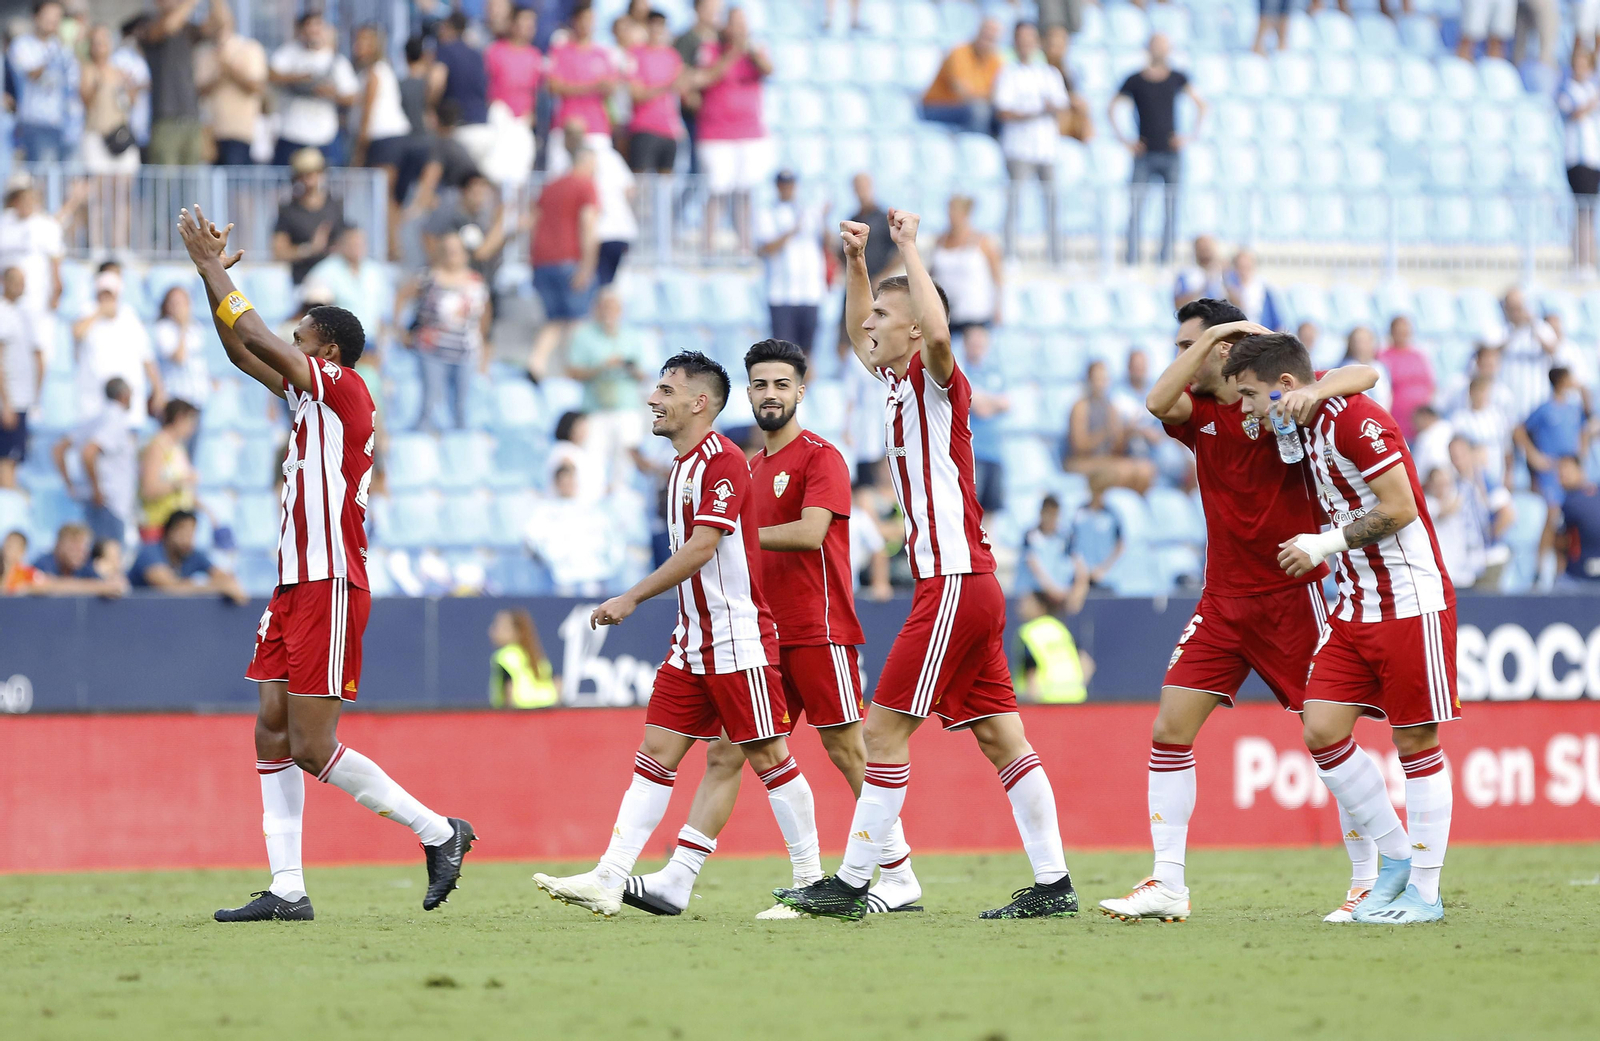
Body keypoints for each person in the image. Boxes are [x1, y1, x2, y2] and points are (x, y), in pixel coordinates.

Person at [775, 210, 1078, 921]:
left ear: (914, 326)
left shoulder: (939, 380)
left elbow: (938, 333)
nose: (870, 322)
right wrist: (857, 264)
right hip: (970, 585)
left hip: (952, 585)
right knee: (1003, 735)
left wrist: (909, 246)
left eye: (886, 311)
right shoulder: (895, 382)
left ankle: (853, 883)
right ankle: (1055, 883)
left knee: (880, 734)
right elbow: (856, 334)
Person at [175, 205, 474, 921]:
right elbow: (238, 349)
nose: (291, 334)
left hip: (331, 579)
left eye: (303, 329)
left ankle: (441, 832)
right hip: (294, 582)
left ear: (328, 349)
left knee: (312, 744)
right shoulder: (309, 399)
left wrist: (210, 266)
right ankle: (287, 887)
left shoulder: (344, 390)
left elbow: (254, 334)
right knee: (271, 727)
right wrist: (210, 281)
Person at [1099, 300, 1381, 925]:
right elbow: (1155, 400)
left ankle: (1370, 880)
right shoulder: (1196, 415)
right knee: (1170, 727)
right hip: (1222, 602)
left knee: (1330, 735)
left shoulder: (1281, 400)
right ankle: (1167, 882)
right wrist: (1219, 333)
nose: (1180, 358)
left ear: (1224, 353)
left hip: (1292, 595)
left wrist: (1310, 381)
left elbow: (1364, 375)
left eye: (1188, 346)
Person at [625, 339, 921, 919]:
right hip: (761, 634)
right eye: (760, 384)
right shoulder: (747, 468)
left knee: (846, 749)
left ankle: (898, 872)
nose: (770, 395)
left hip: (820, 626)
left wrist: (725, 535)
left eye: (781, 385)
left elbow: (812, 534)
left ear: (800, 392)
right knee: (726, 754)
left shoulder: (820, 457)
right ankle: (677, 879)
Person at [532, 351, 821, 918]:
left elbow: (702, 548)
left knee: (769, 756)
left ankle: (812, 882)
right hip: (693, 640)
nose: (652, 400)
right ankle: (610, 876)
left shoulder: (724, 462)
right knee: (656, 754)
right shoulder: (680, 468)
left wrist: (631, 597)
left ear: (699, 403)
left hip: (736, 638)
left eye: (665, 390)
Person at [1230, 332, 1458, 926]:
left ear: (1283, 387)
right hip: (1356, 604)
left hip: (1410, 599)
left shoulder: (1352, 420)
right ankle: (1397, 860)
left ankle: (1426, 895)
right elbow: (1351, 370)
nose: (1246, 410)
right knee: (1322, 729)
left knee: (1415, 744)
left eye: (1251, 396)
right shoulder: (1300, 416)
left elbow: (1402, 506)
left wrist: (1323, 543)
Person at [1112, 34, 1206, 265]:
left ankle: (1165, 259)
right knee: (1136, 208)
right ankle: (1131, 259)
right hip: (1144, 153)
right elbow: (1112, 108)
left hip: (1170, 153)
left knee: (1170, 210)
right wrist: (1124, 140)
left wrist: (1190, 136)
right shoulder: (1135, 80)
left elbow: (1201, 104)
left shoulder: (1177, 77)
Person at [694, 6, 773, 253]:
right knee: (718, 190)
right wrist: (732, 53)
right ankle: (708, 245)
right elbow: (705, 78)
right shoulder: (710, 50)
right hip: (717, 133)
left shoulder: (755, 51)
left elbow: (769, 70)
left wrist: (749, 51)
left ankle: (745, 245)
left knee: (744, 192)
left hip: (749, 132)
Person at [403, 232, 491, 431]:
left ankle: (459, 447)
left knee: (462, 405)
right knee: (430, 400)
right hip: (432, 350)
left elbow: (485, 316)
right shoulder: (427, 277)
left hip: (465, 350)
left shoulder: (476, 282)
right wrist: (402, 332)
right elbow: (402, 296)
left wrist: (483, 346)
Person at [993, 21, 1066, 261]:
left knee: (1052, 204)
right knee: (1015, 203)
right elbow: (1003, 110)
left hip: (1046, 149)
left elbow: (1062, 105)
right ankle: (1010, 253)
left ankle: (1056, 255)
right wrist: (1036, 110)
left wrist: (1030, 110)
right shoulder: (1007, 72)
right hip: (1019, 149)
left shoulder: (1049, 73)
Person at [527, 145, 600, 381]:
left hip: (542, 262)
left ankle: (537, 362)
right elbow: (587, 225)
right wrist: (587, 267)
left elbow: (534, 222)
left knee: (556, 319)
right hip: (569, 260)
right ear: (587, 164)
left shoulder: (549, 187)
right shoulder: (585, 186)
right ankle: (575, 371)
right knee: (577, 318)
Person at [566, 288, 647, 480]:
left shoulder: (632, 336)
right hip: (596, 409)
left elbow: (643, 374)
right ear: (597, 309)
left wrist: (627, 367)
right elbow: (573, 372)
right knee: (593, 460)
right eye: (605, 307)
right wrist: (601, 368)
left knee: (625, 462)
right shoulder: (584, 335)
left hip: (626, 407)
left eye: (614, 308)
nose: (609, 312)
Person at [140, 0, 231, 165]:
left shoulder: (188, 29)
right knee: (164, 183)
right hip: (164, 119)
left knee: (190, 183)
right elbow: (168, 26)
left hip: (192, 117)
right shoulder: (147, 24)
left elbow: (219, 25)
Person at [55, 377, 138, 545]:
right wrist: (96, 489)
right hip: (110, 502)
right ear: (124, 395)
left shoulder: (96, 418)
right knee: (108, 561)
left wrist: (70, 485)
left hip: (99, 501)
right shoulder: (115, 420)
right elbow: (89, 452)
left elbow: (58, 449)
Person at [269, 12, 358, 167]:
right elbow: (271, 75)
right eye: (308, 27)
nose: (313, 32)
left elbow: (352, 96)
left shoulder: (336, 61)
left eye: (317, 26)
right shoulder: (289, 53)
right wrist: (300, 79)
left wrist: (329, 93)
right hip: (291, 132)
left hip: (324, 134)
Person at [72, 269, 160, 421]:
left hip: (127, 401)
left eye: (110, 294)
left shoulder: (130, 316)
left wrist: (158, 388)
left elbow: (147, 356)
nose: (106, 299)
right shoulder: (87, 311)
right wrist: (99, 313)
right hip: (94, 401)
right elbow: (77, 333)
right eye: (103, 293)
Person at [756, 170, 827, 355]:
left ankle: (805, 384)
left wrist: (824, 220)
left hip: (810, 292)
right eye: (783, 185)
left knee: (808, 352)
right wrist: (792, 230)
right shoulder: (768, 212)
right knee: (784, 353)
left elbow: (828, 243)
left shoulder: (809, 212)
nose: (787, 189)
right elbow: (765, 248)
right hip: (781, 293)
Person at [546, 2, 620, 169]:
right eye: (583, 19)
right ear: (574, 21)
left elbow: (611, 86)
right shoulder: (561, 51)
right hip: (565, 127)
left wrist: (575, 87)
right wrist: (593, 87)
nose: (587, 24)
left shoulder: (603, 53)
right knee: (561, 177)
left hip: (597, 127)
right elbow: (553, 86)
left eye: (590, 19)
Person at [1065, 359, 1155, 492]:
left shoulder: (1110, 408)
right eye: (1097, 378)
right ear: (1089, 380)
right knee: (1123, 471)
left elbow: (1117, 449)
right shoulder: (1080, 407)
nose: (1101, 383)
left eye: (1104, 379)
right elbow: (1079, 447)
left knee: (1146, 470)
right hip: (1083, 461)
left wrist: (1126, 433)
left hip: (1106, 459)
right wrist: (1105, 432)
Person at [0, 176, 65, 358]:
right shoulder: (4, 224)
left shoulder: (45, 225)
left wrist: (56, 292)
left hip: (36, 301)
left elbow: (56, 261)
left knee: (37, 349)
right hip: (6, 300)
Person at [8, 1, 79, 162]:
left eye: (57, 16)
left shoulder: (63, 47)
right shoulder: (22, 44)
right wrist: (53, 55)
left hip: (65, 126)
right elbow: (32, 74)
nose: (53, 20)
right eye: (48, 15)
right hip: (36, 124)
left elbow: (73, 84)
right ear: (36, 17)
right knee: (43, 179)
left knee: (65, 181)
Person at [129, 509, 247, 603]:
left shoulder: (194, 554)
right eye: (183, 532)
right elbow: (170, 588)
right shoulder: (150, 553)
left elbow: (224, 578)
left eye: (192, 533)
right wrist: (216, 587)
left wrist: (227, 584)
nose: (188, 539)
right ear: (169, 532)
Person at [194, 11, 265, 166]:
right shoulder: (203, 52)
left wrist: (229, 69)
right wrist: (219, 74)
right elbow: (199, 90)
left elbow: (256, 86)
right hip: (209, 132)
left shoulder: (249, 48)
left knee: (235, 183)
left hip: (238, 132)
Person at [929, 194, 1003, 335]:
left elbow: (997, 276)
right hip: (947, 312)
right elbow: (931, 273)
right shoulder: (940, 240)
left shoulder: (983, 242)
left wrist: (998, 307)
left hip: (975, 312)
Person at [307, 225, 393, 344]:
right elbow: (317, 315)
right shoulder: (324, 272)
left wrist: (381, 346)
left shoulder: (374, 271)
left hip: (373, 343)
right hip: (340, 345)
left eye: (361, 243)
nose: (357, 248)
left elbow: (383, 313)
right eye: (352, 244)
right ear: (340, 244)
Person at [273, 149, 346, 287]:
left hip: (335, 281)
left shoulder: (334, 205)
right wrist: (308, 249)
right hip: (304, 281)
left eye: (313, 174)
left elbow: (344, 236)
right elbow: (279, 251)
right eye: (304, 175)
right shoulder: (289, 211)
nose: (309, 181)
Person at [627, 9, 686, 174]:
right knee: (641, 185)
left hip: (670, 130)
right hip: (644, 127)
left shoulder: (673, 56)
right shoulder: (636, 54)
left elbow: (683, 87)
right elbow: (636, 93)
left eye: (661, 25)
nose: (657, 30)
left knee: (665, 187)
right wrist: (667, 86)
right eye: (653, 25)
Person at [0, 268, 43, 491]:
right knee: (7, 457)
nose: (21, 286)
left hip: (22, 398)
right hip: (11, 399)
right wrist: (5, 402)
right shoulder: (3, 312)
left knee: (14, 457)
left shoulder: (24, 313)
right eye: (16, 281)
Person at [920, 16, 1002, 134]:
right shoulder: (959, 52)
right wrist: (986, 97)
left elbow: (999, 95)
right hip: (937, 106)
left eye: (991, 38)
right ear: (978, 32)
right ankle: (975, 146)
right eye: (985, 35)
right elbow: (960, 91)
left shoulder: (996, 61)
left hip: (965, 108)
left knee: (1001, 114)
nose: (986, 41)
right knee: (979, 111)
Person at [429, 12, 492, 164]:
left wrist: (429, 108)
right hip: (483, 129)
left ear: (448, 27)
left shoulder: (446, 50)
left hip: (458, 129)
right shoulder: (477, 54)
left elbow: (437, 80)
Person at [78, 23, 139, 176]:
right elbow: (86, 102)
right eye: (97, 41)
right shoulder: (88, 70)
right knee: (99, 186)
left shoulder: (119, 72)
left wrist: (130, 88)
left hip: (120, 135)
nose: (101, 45)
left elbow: (130, 103)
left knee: (123, 186)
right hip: (97, 136)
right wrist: (97, 86)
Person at [1558, 47, 1600, 270]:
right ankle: (1579, 261)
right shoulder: (1569, 89)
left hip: (1593, 158)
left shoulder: (1590, 88)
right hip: (1577, 158)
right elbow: (1572, 112)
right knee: (1582, 208)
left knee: (1590, 210)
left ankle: (1588, 260)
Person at [350, 24, 412, 173]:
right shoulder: (376, 70)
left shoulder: (374, 72)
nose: (357, 47)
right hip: (387, 138)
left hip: (383, 138)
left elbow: (368, 111)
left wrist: (360, 148)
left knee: (382, 190)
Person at [1013, 588, 1091, 704]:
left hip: (1045, 703)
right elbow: (1087, 663)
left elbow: (1031, 674)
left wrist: (1033, 705)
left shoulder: (1029, 633)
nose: (1020, 607)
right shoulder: (1060, 628)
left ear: (1040, 606)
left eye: (1026, 602)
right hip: (1075, 699)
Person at [138, 398, 199, 541]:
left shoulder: (177, 447)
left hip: (177, 528)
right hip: (158, 527)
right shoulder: (157, 446)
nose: (193, 428)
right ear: (179, 418)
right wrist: (180, 482)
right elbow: (149, 489)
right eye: (191, 421)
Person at [963, 325, 1009, 518]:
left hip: (994, 451)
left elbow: (1007, 402)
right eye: (973, 342)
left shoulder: (995, 371)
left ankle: (987, 546)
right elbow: (977, 405)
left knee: (991, 509)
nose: (977, 346)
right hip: (972, 451)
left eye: (981, 342)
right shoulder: (960, 371)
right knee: (971, 508)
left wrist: (984, 401)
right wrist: (992, 403)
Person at [152, 286, 212, 413]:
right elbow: (179, 358)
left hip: (199, 395)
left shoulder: (197, 328)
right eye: (174, 303)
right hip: (177, 396)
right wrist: (182, 328)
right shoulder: (163, 329)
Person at [29, 521, 128, 596]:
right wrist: (99, 587)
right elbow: (42, 586)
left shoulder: (85, 566)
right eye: (73, 548)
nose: (79, 554)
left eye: (83, 548)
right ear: (58, 546)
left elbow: (112, 586)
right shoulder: (44, 563)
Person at [1379, 315, 1435, 443]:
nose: (1402, 334)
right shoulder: (1383, 356)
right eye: (1399, 331)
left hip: (1421, 425)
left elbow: (1430, 385)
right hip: (1397, 422)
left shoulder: (1419, 356)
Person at [1015, 494, 1078, 605]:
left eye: (1054, 514)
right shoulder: (1031, 536)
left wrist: (1075, 590)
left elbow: (1076, 563)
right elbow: (1033, 565)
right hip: (1035, 596)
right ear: (1041, 513)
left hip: (1058, 596)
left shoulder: (1065, 537)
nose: (1050, 519)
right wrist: (1054, 590)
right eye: (1047, 513)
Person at [488, 607, 558, 708]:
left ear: (517, 632)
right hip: (547, 711)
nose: (492, 630)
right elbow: (557, 683)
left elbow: (509, 688)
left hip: (520, 713)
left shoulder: (504, 656)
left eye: (500, 627)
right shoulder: (537, 654)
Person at [486, 5, 542, 127]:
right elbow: (486, 84)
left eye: (532, 22)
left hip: (524, 119)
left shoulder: (535, 56)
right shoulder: (495, 52)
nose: (529, 26)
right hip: (499, 118)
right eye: (525, 20)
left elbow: (536, 90)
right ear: (512, 23)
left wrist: (533, 113)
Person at [1557, 454, 1600, 586]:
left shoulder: (1574, 501)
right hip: (1577, 574)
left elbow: (1559, 542)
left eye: (1568, 469)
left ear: (1580, 470)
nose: (1563, 475)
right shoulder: (1566, 500)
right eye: (1560, 471)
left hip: (1579, 578)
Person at [1340, 325, 1393, 411]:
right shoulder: (1344, 369)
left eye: (1367, 341)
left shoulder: (1381, 368)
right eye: (1359, 341)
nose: (1363, 346)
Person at [1173, 234, 1225, 308]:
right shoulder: (1186, 274)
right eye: (1201, 247)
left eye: (1208, 247)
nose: (1205, 250)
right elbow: (1178, 304)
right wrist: (1204, 286)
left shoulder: (1225, 272)